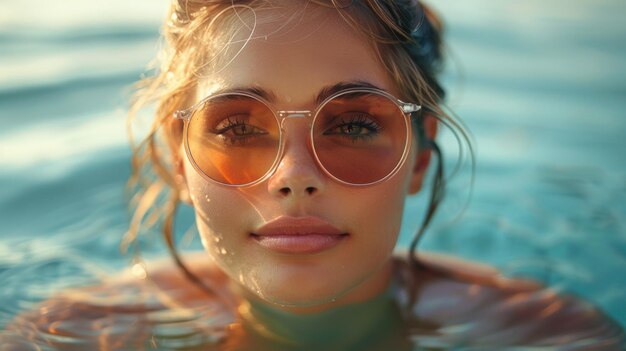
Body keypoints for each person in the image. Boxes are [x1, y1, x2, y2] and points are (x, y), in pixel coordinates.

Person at [3, 0, 624, 350]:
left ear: (420, 158)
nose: (294, 176)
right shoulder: (73, 334)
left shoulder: (545, 337)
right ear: (176, 158)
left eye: (353, 125)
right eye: (238, 127)